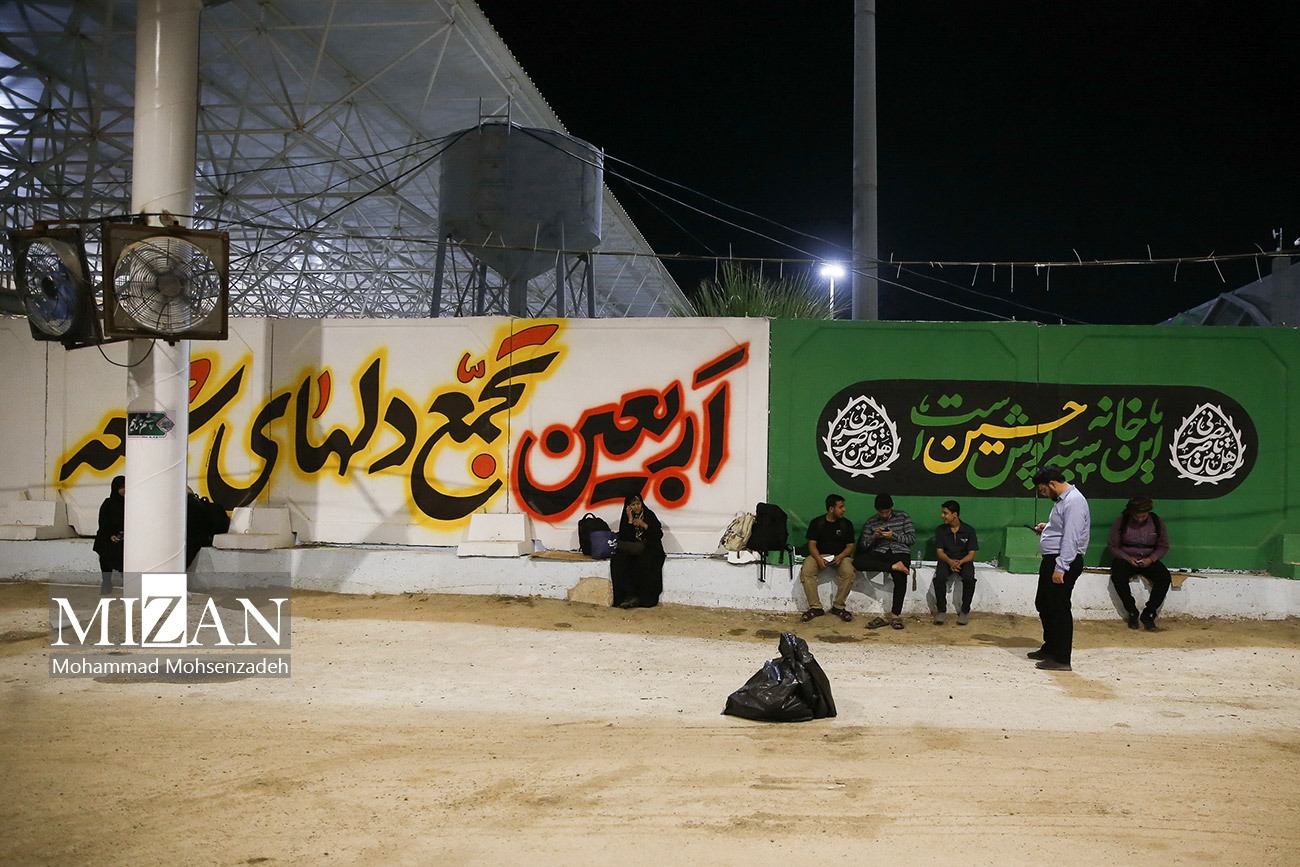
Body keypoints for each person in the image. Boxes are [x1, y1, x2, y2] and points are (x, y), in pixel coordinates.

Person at [1029, 466, 1090, 671]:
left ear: (1052, 484)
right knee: (1044, 603)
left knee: (1059, 608)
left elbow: (1072, 537)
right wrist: (1048, 528)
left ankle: (1062, 658)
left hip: (1063, 561)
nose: (1044, 494)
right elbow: (1064, 528)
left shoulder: (1074, 501)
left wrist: (1061, 567)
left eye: (1044, 490)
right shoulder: (1063, 501)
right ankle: (1050, 648)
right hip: (1054, 559)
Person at [1107, 495, 1172, 631]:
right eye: (1137, 516)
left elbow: (1163, 546)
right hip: (1127, 558)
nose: (1140, 519)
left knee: (1164, 578)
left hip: (1148, 558)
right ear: (1131, 513)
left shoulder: (1156, 522)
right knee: (1118, 577)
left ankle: (1149, 613)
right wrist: (1127, 558)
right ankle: (1132, 611)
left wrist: (1151, 559)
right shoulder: (1121, 522)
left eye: (1143, 516)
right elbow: (1113, 546)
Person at [854, 493, 915, 629]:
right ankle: (893, 567)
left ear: (891, 508)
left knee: (900, 577)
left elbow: (911, 539)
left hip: (900, 551)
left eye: (887, 512)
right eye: (882, 513)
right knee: (858, 562)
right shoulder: (871, 522)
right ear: (877, 510)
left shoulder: (903, 517)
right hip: (881, 552)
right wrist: (874, 536)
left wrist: (894, 535)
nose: (885, 515)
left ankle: (895, 615)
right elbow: (863, 545)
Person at [798, 494, 857, 622]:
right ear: (831, 509)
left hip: (840, 556)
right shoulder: (817, 523)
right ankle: (815, 607)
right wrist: (818, 558)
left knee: (849, 573)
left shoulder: (846, 524)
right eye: (840, 507)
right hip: (820, 555)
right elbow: (812, 544)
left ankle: (838, 607)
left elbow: (850, 546)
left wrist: (841, 556)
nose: (844, 510)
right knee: (807, 570)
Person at [610, 494, 666, 609]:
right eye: (633, 505)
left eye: (638, 504)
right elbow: (625, 537)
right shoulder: (626, 517)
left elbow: (657, 534)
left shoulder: (649, 515)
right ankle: (627, 597)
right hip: (633, 548)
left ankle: (644, 599)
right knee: (619, 560)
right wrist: (630, 520)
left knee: (644, 562)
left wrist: (643, 524)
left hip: (650, 546)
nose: (636, 507)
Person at [932, 500, 979, 626]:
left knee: (969, 579)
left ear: (955, 514)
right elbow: (940, 552)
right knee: (939, 579)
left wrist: (960, 562)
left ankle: (964, 611)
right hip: (946, 560)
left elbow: (971, 554)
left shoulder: (969, 530)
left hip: (964, 561)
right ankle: (941, 610)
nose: (942, 516)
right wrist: (950, 562)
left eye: (945, 513)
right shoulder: (940, 530)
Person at [92, 475, 125, 595]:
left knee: (124, 558)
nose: (124, 490)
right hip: (108, 537)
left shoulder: (130, 504)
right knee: (105, 555)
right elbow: (103, 522)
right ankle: (106, 582)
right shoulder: (108, 503)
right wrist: (110, 535)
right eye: (121, 487)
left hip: (123, 538)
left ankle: (128, 583)